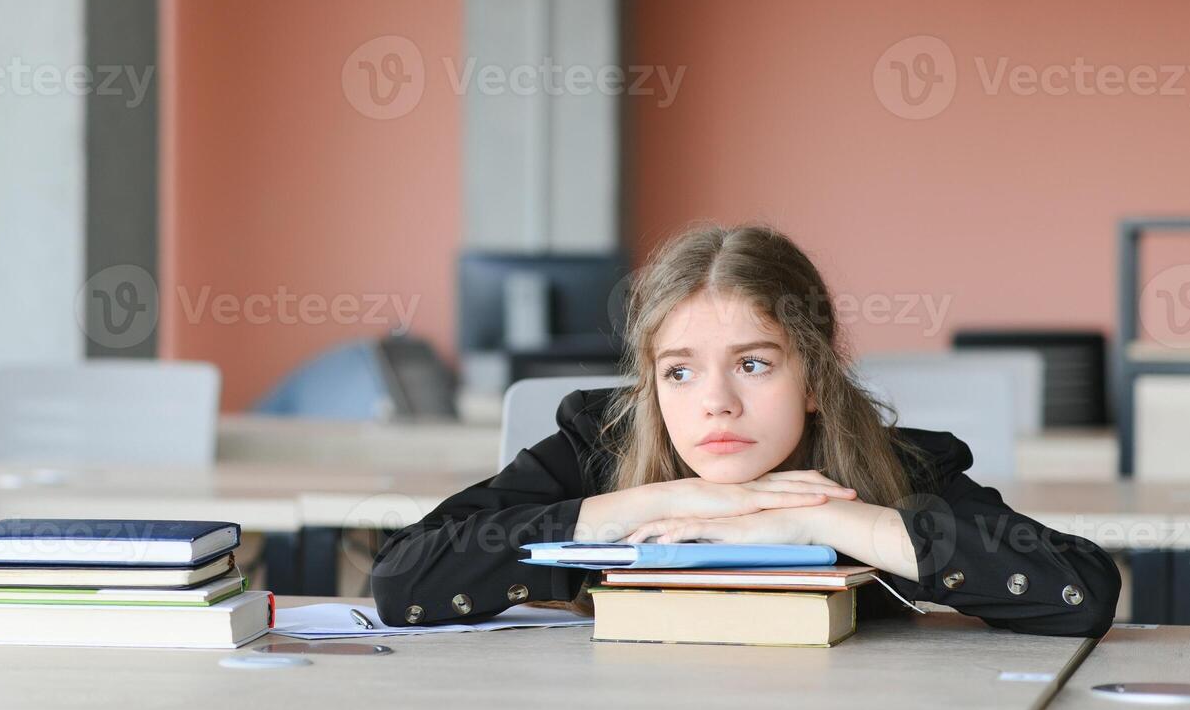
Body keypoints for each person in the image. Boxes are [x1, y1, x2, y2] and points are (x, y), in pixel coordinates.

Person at [371, 223, 1119, 637]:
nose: (715, 404)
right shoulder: (594, 442)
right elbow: (403, 581)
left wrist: (812, 517)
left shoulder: (894, 466)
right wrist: (649, 506)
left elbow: (1078, 594)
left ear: (815, 378)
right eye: (679, 372)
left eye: (754, 366)